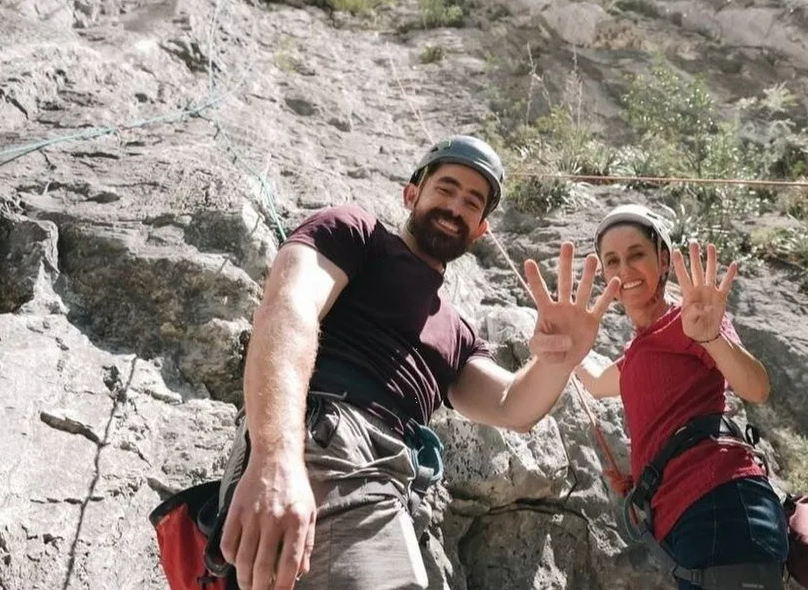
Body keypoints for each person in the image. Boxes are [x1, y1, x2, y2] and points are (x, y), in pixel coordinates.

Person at [211, 135, 621, 590]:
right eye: (445, 189)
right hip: (326, 442)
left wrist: (561, 360)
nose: (455, 207)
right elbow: (289, 308)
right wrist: (275, 456)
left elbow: (511, 406)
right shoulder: (356, 232)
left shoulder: (458, 331)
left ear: (481, 229)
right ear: (411, 194)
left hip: (393, 484)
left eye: (472, 202)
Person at [572, 204, 790, 590]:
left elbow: (757, 388)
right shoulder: (639, 351)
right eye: (612, 260)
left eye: (636, 254)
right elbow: (593, 381)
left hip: (722, 503)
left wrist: (711, 336)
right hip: (684, 519)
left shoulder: (691, 319)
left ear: (663, 258)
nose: (624, 270)